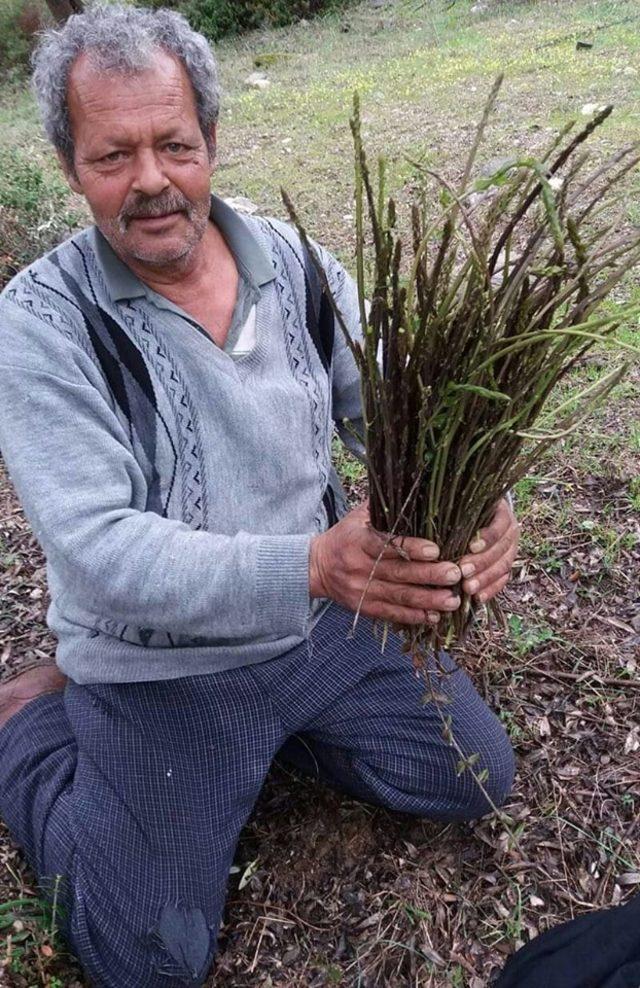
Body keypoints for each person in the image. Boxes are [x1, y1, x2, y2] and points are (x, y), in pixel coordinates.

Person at [0, 6, 520, 985]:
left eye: (174, 144)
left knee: (469, 775)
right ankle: (32, 727)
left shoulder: (291, 261)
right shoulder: (39, 325)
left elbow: (395, 408)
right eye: (114, 155)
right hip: (159, 661)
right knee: (144, 958)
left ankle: (267, 736)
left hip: (319, 619)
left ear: (211, 139)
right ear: (71, 165)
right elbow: (99, 551)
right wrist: (315, 561)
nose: (151, 178)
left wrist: (479, 499)